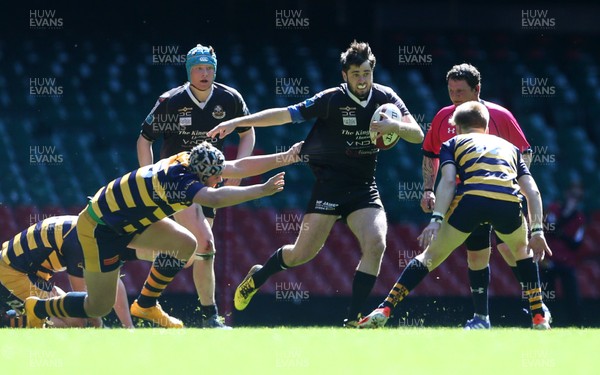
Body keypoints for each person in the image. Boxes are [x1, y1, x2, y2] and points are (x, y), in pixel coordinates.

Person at [207, 40, 424, 327]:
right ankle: (259, 276)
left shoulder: (387, 98)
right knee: (300, 255)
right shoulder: (331, 99)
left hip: (363, 188)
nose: (362, 79)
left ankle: (353, 320)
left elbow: (418, 134)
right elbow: (285, 114)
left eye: (367, 73)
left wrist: (396, 127)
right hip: (329, 187)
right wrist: (238, 121)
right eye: (356, 73)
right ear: (345, 75)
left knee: (376, 243)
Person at [24, 141, 301, 328]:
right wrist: (261, 190)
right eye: (215, 177)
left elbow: (238, 167)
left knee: (185, 244)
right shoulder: (180, 181)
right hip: (100, 229)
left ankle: (145, 304)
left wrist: (287, 156)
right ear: (201, 176)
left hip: (128, 222)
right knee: (98, 307)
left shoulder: (191, 161)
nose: (220, 178)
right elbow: (215, 199)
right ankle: (38, 309)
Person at [357, 101, 552, 330]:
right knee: (521, 251)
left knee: (429, 257)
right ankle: (538, 316)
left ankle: (386, 307)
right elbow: (532, 190)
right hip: (507, 202)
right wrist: (538, 231)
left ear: (458, 127)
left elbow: (448, 181)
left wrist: (436, 220)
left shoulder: (452, 142)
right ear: (487, 126)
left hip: (471, 202)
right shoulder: (510, 148)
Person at [137, 43, 255, 328]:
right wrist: (147, 177)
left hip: (209, 184)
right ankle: (209, 317)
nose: (204, 73)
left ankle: (143, 299)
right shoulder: (171, 101)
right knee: (205, 243)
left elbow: (248, 133)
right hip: (175, 181)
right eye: (199, 68)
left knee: (191, 254)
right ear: (189, 71)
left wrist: (238, 169)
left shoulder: (229, 99)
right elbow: (144, 139)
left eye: (209, 68)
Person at [420, 63, 542, 329]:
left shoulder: (500, 115)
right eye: (451, 91)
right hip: (464, 200)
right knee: (475, 256)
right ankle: (481, 318)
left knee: (511, 250)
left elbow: (525, 152)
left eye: (461, 91)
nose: (455, 97)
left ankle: (537, 307)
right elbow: (430, 154)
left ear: (477, 89)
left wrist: (513, 186)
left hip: (501, 196)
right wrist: (429, 189)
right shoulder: (443, 117)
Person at [0, 215, 133, 328]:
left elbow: (113, 280)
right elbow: (84, 300)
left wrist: (129, 328)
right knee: (77, 322)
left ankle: (16, 315)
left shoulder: (91, 230)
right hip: (12, 273)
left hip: (26, 273)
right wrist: (100, 327)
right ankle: (7, 321)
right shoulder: (80, 242)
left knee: (74, 317)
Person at [541, 183, 586, 326]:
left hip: (567, 262)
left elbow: (575, 244)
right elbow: (550, 229)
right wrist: (566, 214)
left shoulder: (579, 217)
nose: (574, 199)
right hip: (549, 259)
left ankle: (576, 325)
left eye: (577, 197)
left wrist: (562, 233)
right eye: (572, 195)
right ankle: (545, 322)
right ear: (566, 194)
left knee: (572, 296)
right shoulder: (554, 209)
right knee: (547, 295)